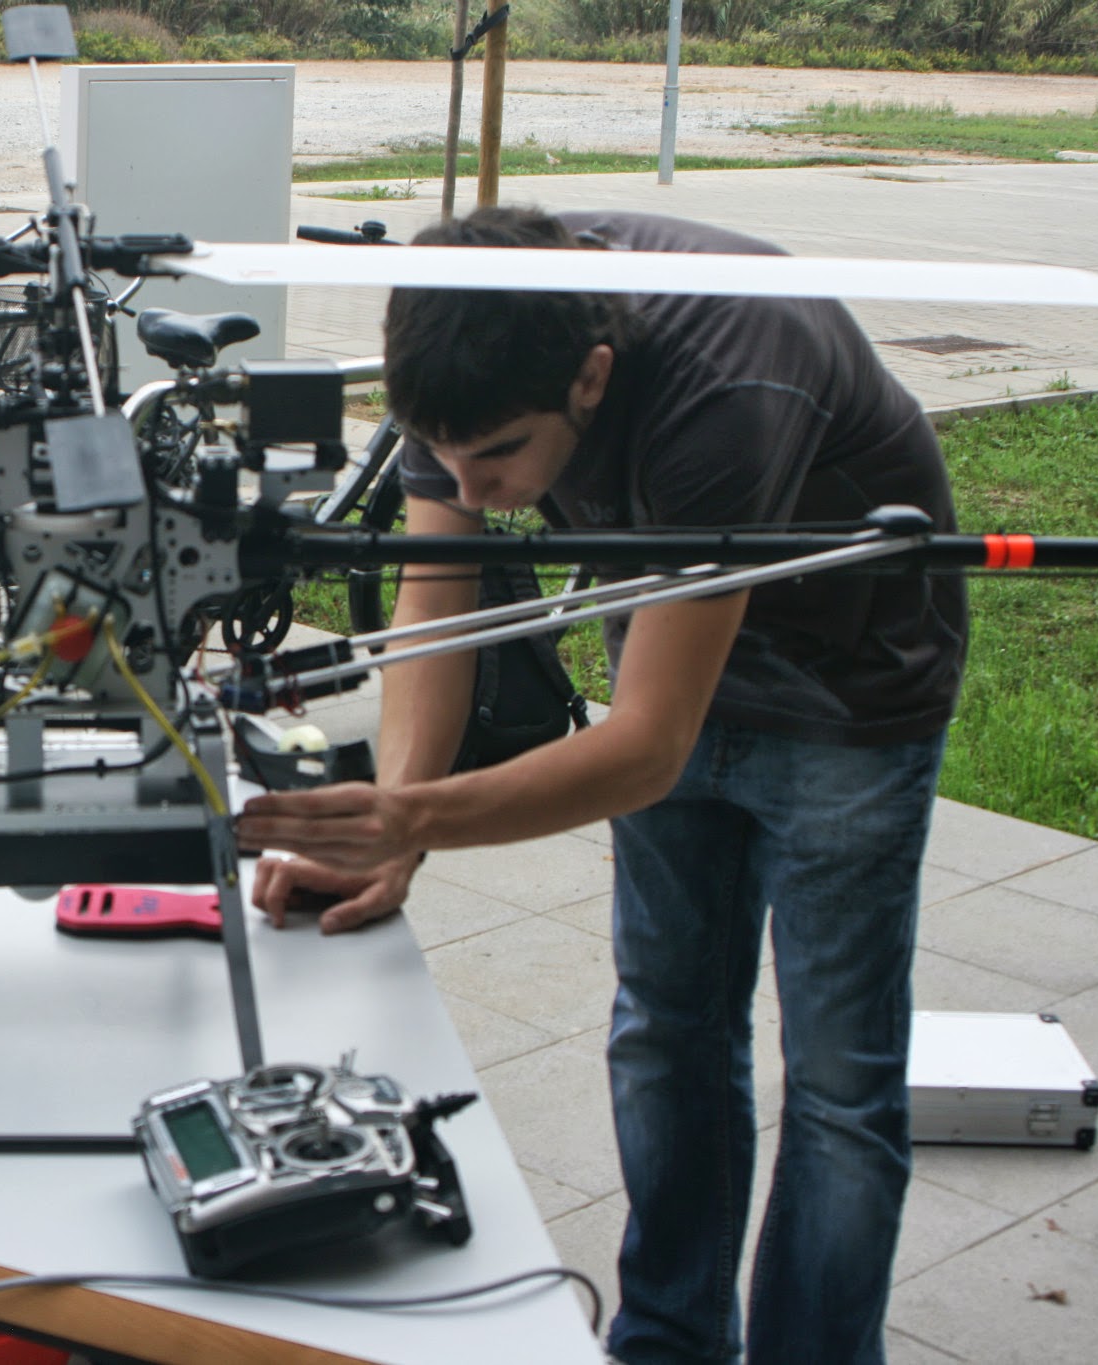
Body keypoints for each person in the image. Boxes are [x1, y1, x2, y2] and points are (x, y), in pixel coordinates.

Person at [238, 206, 965, 1365]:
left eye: (498, 460)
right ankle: (668, 1340)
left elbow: (644, 750)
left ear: (590, 377)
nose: (471, 485)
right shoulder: (467, 332)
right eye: (449, 460)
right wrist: (396, 833)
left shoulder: (726, 378)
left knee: (836, 1086)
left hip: (846, 699)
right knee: (665, 1031)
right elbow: (440, 594)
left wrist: (411, 815)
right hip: (668, 654)